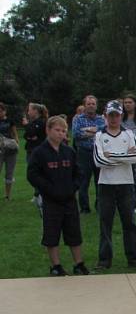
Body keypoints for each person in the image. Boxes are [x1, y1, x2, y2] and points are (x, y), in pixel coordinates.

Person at [26, 116, 90, 276]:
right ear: (48, 130)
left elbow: (79, 173)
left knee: (74, 231)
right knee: (52, 233)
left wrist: (73, 187)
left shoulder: (69, 151)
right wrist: (48, 189)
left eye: (63, 131)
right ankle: (56, 265)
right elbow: (32, 175)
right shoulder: (39, 152)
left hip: (69, 199)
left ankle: (79, 263)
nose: (61, 134)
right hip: (50, 200)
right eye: (57, 130)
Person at [93, 100, 136, 269]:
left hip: (126, 184)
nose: (113, 119)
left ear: (121, 116)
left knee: (129, 222)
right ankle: (104, 260)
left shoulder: (129, 134)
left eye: (116, 115)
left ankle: (134, 259)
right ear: (105, 116)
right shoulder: (99, 135)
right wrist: (123, 156)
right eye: (110, 115)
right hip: (106, 184)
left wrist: (112, 156)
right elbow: (99, 160)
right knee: (105, 223)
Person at [71, 95, 105, 213]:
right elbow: (76, 134)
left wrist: (86, 130)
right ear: (84, 105)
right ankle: (85, 208)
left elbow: (104, 132)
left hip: (98, 152)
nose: (91, 106)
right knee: (83, 181)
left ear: (96, 106)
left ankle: (100, 206)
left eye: (93, 104)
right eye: (88, 104)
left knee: (99, 180)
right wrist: (95, 131)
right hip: (83, 153)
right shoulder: (78, 119)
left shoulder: (101, 119)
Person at [0, 102, 19, 200]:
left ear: (4, 111)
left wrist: (16, 142)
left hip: (11, 150)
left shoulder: (10, 121)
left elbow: (15, 134)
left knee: (9, 173)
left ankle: (7, 195)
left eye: (0, 111)